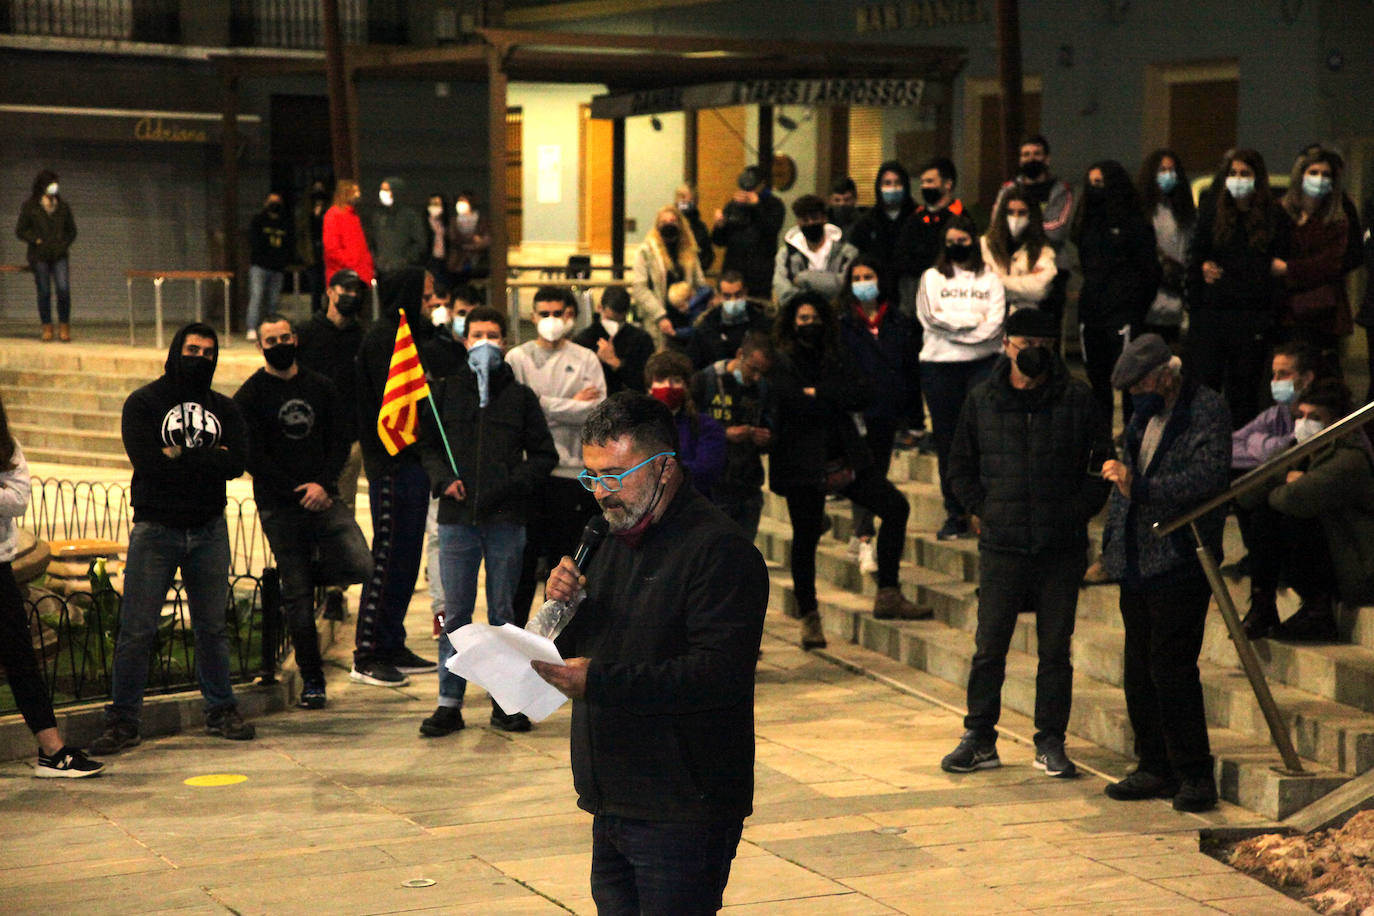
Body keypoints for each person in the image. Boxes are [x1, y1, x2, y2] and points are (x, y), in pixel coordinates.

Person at [531, 392, 768, 915]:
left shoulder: (719, 551)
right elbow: (580, 647)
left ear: (664, 467)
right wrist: (561, 608)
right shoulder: (609, 537)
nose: (600, 493)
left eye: (615, 474)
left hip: (682, 806)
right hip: (613, 797)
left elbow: (717, 676)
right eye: (591, 476)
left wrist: (599, 681)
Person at [941, 307, 1111, 779]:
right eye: (1024, 344)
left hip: (1060, 547)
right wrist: (983, 508)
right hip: (1002, 544)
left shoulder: (1078, 399)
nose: (1032, 353)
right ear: (1006, 346)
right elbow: (959, 466)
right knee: (989, 646)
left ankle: (1050, 741)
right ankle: (979, 737)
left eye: (1042, 344)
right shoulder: (982, 400)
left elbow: (1102, 466)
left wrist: (1076, 512)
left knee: (1055, 649)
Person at [92, 323, 255, 754]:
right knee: (136, 630)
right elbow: (150, 464)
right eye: (192, 349)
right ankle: (124, 721)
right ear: (175, 350)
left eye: (208, 351)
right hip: (155, 530)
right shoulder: (144, 403)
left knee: (212, 629)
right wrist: (208, 459)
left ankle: (221, 709)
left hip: (208, 529)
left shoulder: (225, 408)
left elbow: (236, 463)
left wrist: (181, 453)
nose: (200, 357)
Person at [1098, 334, 1230, 812]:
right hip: (1136, 558)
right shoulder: (1141, 416)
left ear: (1165, 375)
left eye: (1140, 385)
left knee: (1173, 670)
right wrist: (1111, 544)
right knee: (1138, 672)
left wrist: (1145, 488)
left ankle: (1194, 773)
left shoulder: (1206, 409)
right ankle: (1153, 765)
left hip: (1179, 556)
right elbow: (1124, 486)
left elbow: (1209, 477)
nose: (1135, 396)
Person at [418, 305, 558, 736]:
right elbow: (427, 447)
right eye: (477, 334)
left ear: (504, 341)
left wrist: (509, 485)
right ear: (464, 340)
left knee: (504, 616)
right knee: (456, 614)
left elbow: (544, 455)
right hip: (458, 518)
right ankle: (449, 702)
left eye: (493, 335)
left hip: (505, 519)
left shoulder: (520, 397)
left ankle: (505, 701)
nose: (484, 342)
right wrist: (444, 480)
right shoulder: (444, 393)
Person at [769, 291, 924, 650]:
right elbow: (789, 402)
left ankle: (888, 590)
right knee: (805, 540)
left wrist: (818, 393)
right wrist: (823, 397)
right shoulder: (783, 360)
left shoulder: (836, 354)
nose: (810, 325)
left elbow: (861, 393)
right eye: (802, 319)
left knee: (895, 506)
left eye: (814, 318)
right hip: (801, 462)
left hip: (844, 456)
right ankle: (809, 617)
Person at [233, 314, 373, 710]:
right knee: (297, 600)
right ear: (260, 346)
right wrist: (296, 492)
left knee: (362, 564)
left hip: (324, 498)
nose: (279, 344)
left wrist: (322, 486)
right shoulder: (249, 396)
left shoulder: (320, 386)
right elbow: (253, 457)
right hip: (281, 507)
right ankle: (313, 680)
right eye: (271, 339)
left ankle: (310, 575)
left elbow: (340, 441)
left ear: (295, 339)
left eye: (285, 337)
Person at [352, 267, 456, 688]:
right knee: (388, 558)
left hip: (415, 463)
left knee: (407, 560)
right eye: (426, 294)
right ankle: (367, 651)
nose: (432, 302)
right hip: (392, 462)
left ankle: (391, 641)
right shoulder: (384, 339)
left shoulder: (415, 336)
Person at [0, 395, 104, 776]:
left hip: (0, 568)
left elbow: (18, 499)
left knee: (20, 659)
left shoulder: (6, 447)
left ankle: (52, 752)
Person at [1239, 379, 1373, 642]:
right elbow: (1244, 494)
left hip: (1357, 566)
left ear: (1335, 423)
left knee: (1287, 516)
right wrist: (1286, 475)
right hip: (1333, 556)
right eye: (1300, 415)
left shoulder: (1350, 458)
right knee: (1264, 513)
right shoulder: (1300, 451)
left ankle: (1317, 610)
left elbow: (1294, 500)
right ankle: (1262, 602)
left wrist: (1282, 482)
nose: (1304, 423)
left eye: (1314, 417)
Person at [507, 286, 606, 626]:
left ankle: (564, 642)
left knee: (568, 568)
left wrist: (541, 402)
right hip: (531, 475)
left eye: (557, 313)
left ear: (570, 316)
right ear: (532, 317)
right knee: (522, 569)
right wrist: (570, 403)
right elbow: (518, 412)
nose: (550, 320)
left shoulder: (586, 359)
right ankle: (515, 638)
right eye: (543, 313)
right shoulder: (516, 359)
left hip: (574, 476)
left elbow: (594, 412)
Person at [916, 213, 1007, 541]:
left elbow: (995, 326)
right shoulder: (931, 278)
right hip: (939, 368)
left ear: (973, 242)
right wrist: (972, 322)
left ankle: (983, 512)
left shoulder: (991, 280)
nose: (957, 247)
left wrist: (959, 328)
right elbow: (930, 319)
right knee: (948, 441)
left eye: (963, 242)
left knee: (983, 439)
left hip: (983, 364)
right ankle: (955, 513)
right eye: (951, 242)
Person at [1186, 148, 1291, 429]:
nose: (1238, 179)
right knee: (1204, 391)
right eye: (1233, 173)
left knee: (1243, 395)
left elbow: (1273, 267)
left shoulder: (1273, 217)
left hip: (1251, 319)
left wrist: (1241, 269)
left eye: (1245, 173)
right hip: (1213, 317)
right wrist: (1203, 271)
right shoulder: (1213, 209)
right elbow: (1197, 255)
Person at [1232, 341, 1323, 637]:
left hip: (1326, 521)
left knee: (1273, 503)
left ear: (1306, 378)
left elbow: (1306, 450)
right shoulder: (1277, 415)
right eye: (1273, 375)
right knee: (1257, 499)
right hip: (1288, 501)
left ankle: (1314, 606)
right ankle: (1262, 603)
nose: (1275, 383)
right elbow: (1230, 447)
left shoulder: (1321, 411)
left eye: (1283, 375)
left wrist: (1262, 448)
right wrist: (1272, 450)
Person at [838, 255, 920, 574]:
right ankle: (864, 537)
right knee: (864, 474)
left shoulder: (898, 322)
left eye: (867, 276)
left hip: (886, 412)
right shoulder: (843, 324)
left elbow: (908, 370)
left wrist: (912, 418)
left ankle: (863, 534)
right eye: (856, 278)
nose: (862, 283)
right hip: (856, 414)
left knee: (878, 476)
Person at [296, 268, 368, 620]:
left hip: (348, 441)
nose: (351, 295)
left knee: (341, 512)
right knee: (304, 513)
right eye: (346, 288)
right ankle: (303, 583)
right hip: (308, 441)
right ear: (330, 290)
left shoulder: (363, 337)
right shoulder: (307, 333)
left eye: (357, 290)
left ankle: (335, 590)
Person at [1071, 160, 1161, 429]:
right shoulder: (1087, 223)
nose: (1094, 189)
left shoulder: (1135, 224)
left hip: (1122, 314)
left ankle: (1131, 439)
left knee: (1129, 380)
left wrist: (1131, 305)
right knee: (1097, 382)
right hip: (1092, 314)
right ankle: (1100, 445)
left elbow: (1150, 272)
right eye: (1091, 183)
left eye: (1100, 183)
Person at [690, 331, 774, 539]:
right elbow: (691, 425)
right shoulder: (706, 380)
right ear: (739, 355)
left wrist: (764, 437)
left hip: (748, 483)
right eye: (752, 369)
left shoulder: (762, 388)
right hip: (715, 485)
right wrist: (724, 434)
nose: (755, 377)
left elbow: (771, 425)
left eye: (761, 372)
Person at [1277, 148, 1353, 369]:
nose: (1319, 179)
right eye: (1313, 172)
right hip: (1286, 316)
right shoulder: (1281, 215)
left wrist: (1288, 269)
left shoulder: (1337, 221)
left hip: (1323, 316)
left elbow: (1329, 265)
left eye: (1325, 174)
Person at [994, 136, 1075, 327]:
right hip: (1012, 264)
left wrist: (1023, 228)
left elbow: (1057, 230)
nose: (1031, 159)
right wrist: (1035, 227)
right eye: (1026, 155)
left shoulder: (1060, 189)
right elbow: (998, 225)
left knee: (1047, 328)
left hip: (1053, 266)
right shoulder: (1008, 189)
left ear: (1047, 159)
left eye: (1036, 154)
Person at [645, 350, 726, 498]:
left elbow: (705, 472)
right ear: (649, 387)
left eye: (676, 381)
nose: (668, 387)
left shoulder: (706, 426)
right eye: (661, 380)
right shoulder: (636, 425)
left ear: (686, 387)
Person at [1138, 149, 1196, 341]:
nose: (1168, 175)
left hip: (1175, 304)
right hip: (1147, 302)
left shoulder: (1185, 212)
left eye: (1172, 170)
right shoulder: (1142, 211)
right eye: (1162, 170)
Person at [14, 169, 77, 342]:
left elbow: (72, 231)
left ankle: (64, 326)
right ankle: (47, 327)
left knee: (63, 290)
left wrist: (63, 244)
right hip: (39, 255)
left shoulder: (62, 206)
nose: (54, 187)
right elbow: (20, 230)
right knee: (44, 291)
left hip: (59, 255)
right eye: (51, 184)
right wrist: (36, 240)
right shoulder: (31, 206)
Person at [632, 204, 707, 346]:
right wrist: (660, 316)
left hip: (687, 319)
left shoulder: (689, 251)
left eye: (672, 221)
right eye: (663, 222)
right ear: (657, 226)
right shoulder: (646, 252)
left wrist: (692, 303)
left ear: (680, 224)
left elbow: (700, 284)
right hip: (659, 319)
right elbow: (639, 288)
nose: (668, 225)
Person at [711, 165, 786, 299]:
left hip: (759, 275)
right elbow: (719, 241)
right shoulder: (733, 206)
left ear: (762, 185)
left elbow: (772, 229)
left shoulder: (774, 205)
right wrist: (719, 226)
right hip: (733, 272)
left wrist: (757, 206)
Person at [772, 193, 859, 307]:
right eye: (805, 220)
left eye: (814, 218)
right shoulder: (786, 254)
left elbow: (844, 287)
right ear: (798, 222)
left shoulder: (847, 252)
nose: (810, 223)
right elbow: (783, 291)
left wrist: (804, 278)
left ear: (824, 219)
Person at [981, 184, 1057, 313]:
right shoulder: (985, 245)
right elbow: (980, 286)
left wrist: (1000, 281)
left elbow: (1039, 290)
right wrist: (1023, 284)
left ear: (1031, 215)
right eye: (1010, 212)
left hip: (1023, 320)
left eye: (1021, 213)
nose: (1015, 218)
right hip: (989, 316)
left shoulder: (1043, 251)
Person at [848, 160, 916, 291]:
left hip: (909, 288)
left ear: (905, 186)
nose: (893, 188)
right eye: (887, 183)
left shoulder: (918, 218)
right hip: (875, 287)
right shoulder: (866, 222)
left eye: (897, 183)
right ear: (879, 186)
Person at [573, 286, 654, 395]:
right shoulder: (584, 339)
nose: (614, 325)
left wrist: (617, 364)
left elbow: (646, 382)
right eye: (610, 319)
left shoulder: (641, 339)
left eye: (620, 320)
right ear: (599, 308)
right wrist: (595, 360)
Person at [687, 269, 773, 371]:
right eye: (727, 296)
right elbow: (695, 364)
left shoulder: (762, 322)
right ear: (718, 296)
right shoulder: (706, 326)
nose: (733, 300)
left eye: (738, 295)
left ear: (745, 292)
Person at [246, 191, 295, 341]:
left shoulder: (285, 222)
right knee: (256, 296)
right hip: (259, 266)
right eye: (271, 201)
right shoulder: (258, 220)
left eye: (277, 201)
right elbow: (254, 242)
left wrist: (283, 260)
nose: (274, 205)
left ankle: (271, 329)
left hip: (277, 268)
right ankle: (252, 328)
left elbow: (289, 243)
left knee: (273, 300)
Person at [371, 177, 426, 280]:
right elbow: (373, 242)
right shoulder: (378, 215)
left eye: (387, 190)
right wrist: (376, 260)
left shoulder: (410, 216)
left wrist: (405, 260)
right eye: (382, 190)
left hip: (403, 271)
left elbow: (420, 243)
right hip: (381, 270)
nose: (383, 193)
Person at [323, 179, 374, 286]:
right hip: (345, 277)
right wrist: (352, 263)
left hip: (358, 275)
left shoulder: (353, 215)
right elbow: (332, 249)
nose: (357, 195)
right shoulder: (334, 215)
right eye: (354, 191)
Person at [447, 191, 491, 280]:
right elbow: (453, 238)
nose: (461, 204)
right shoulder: (454, 221)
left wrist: (476, 244)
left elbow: (486, 240)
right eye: (459, 201)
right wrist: (473, 239)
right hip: (457, 262)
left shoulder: (481, 220)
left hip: (478, 262)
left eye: (464, 201)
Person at [302, 180, 331, 313]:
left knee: (329, 290)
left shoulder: (330, 211)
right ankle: (317, 316)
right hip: (312, 256)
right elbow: (302, 234)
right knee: (315, 290)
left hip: (327, 256)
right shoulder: (306, 212)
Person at [675, 182, 715, 272]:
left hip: (694, 273)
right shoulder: (668, 223)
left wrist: (696, 268)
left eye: (687, 197)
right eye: (680, 196)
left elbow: (708, 256)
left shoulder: (700, 227)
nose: (683, 201)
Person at [422, 192, 453, 286]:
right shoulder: (423, 223)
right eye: (433, 204)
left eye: (438, 204)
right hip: (430, 261)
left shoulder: (447, 223)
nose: (435, 207)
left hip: (445, 260)